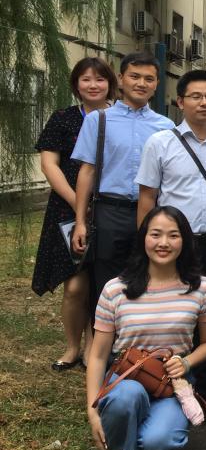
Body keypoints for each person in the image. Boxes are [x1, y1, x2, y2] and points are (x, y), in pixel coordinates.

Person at [85, 206, 206, 450]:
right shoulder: (115, 290)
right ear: (143, 238)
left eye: (173, 235)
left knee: (160, 443)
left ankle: (150, 444)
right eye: (155, 234)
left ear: (185, 240)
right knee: (126, 396)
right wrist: (92, 410)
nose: (163, 243)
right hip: (126, 379)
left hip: (172, 384)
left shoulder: (202, 288)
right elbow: (97, 355)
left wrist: (186, 362)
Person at [136, 69, 206, 428]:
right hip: (174, 246)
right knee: (174, 317)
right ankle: (166, 389)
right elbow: (147, 198)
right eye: (196, 96)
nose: (205, 103)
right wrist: (145, 246)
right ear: (180, 101)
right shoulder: (160, 143)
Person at [71, 52, 174, 314]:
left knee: (148, 277)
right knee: (106, 283)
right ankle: (104, 339)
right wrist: (80, 221)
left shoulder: (166, 126)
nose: (141, 83)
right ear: (120, 79)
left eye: (149, 79)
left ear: (156, 84)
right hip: (109, 212)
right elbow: (87, 171)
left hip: (152, 212)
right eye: (134, 76)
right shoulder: (99, 119)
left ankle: (139, 337)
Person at [33, 56, 117, 370]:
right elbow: (49, 165)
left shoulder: (120, 118)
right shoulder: (63, 118)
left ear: (110, 83)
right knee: (75, 285)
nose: (93, 85)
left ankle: (95, 347)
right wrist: (78, 202)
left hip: (111, 209)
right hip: (67, 210)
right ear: (76, 85)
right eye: (86, 79)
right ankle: (72, 347)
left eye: (100, 79)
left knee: (103, 283)